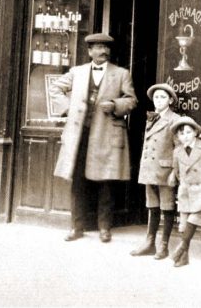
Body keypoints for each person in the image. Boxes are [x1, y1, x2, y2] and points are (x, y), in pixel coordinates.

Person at [51, 32, 138, 244]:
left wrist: (116, 105)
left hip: (107, 134)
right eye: (98, 47)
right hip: (81, 135)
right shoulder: (77, 72)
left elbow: (132, 100)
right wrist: (69, 109)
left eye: (106, 48)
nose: (103, 51)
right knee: (78, 182)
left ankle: (104, 228)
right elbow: (55, 89)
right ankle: (76, 227)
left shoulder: (121, 74)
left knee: (105, 184)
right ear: (90, 51)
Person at [130, 83, 181, 259]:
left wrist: (175, 171)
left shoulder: (174, 120)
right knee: (152, 206)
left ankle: (163, 245)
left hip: (165, 171)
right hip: (150, 170)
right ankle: (149, 242)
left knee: (167, 207)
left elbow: (179, 148)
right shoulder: (151, 118)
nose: (159, 101)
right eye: (156, 97)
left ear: (170, 100)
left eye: (163, 97)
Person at [168, 115, 201, 268]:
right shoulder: (177, 151)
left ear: (195, 132)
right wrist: (182, 183)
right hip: (185, 191)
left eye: (188, 132)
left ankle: (182, 246)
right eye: (181, 133)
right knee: (185, 224)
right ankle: (184, 257)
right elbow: (177, 171)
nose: (185, 136)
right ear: (178, 136)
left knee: (195, 218)